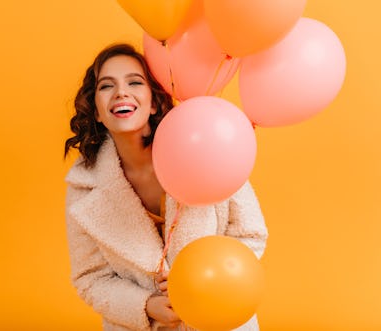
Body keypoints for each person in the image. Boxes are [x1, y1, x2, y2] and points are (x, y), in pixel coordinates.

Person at [64, 43, 268, 331]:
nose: (121, 92)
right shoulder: (83, 186)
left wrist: (198, 281)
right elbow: (90, 278)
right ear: (96, 111)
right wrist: (146, 306)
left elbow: (251, 235)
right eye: (106, 86)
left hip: (219, 319)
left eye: (134, 82)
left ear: (155, 102)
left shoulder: (206, 147)